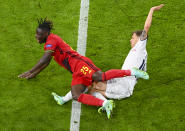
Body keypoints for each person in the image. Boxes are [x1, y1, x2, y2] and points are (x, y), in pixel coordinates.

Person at [18, 18, 148, 119]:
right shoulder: (49, 42)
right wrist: (34, 74)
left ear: (46, 33)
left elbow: (45, 59)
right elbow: (46, 63)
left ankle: (132, 72)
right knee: (76, 94)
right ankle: (104, 104)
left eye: (38, 34)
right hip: (76, 71)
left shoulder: (52, 40)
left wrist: (30, 71)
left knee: (99, 77)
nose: (36, 36)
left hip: (80, 65)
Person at [52, 4, 164, 103]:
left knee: (92, 86)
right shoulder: (141, 53)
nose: (130, 40)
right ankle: (103, 103)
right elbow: (144, 70)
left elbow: (147, 27)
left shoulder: (140, 46)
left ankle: (68, 100)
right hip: (122, 80)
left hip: (123, 87)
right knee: (93, 82)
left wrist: (152, 10)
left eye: (133, 37)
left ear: (140, 39)